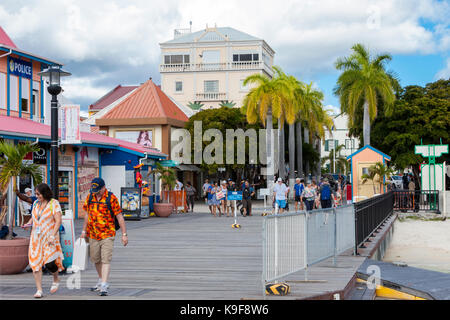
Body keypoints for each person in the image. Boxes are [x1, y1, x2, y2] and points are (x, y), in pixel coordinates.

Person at [81, 178, 128, 296]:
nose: (96, 192)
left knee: (105, 259)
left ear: (103, 187)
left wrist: (124, 234)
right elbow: (87, 214)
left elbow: (119, 217)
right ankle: (101, 279)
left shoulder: (111, 198)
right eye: (94, 190)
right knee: (96, 259)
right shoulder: (90, 197)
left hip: (108, 233)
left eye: (98, 190)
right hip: (92, 234)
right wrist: (83, 230)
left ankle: (104, 285)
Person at [27, 183, 65, 298]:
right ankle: (39, 290)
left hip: (49, 238)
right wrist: (28, 223)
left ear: (45, 193)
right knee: (35, 264)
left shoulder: (54, 204)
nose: (37, 196)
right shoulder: (35, 204)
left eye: (38, 194)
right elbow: (34, 217)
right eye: (36, 194)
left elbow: (58, 221)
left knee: (49, 263)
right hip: (36, 239)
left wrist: (53, 235)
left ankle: (56, 278)